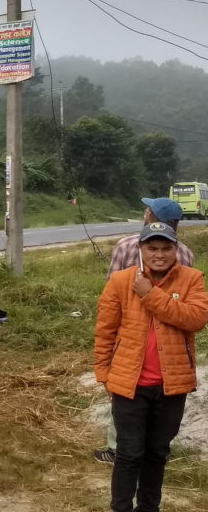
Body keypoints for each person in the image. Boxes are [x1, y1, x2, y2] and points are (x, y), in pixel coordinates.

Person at [95, 222, 208, 512]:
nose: (159, 254)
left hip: (172, 386)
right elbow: (105, 330)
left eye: (166, 248)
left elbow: (196, 319)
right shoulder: (120, 281)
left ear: (176, 249)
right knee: (129, 454)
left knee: (157, 453)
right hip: (130, 385)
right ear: (141, 249)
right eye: (152, 248)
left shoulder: (192, 279)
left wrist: (150, 295)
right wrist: (104, 374)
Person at [95, 197, 195, 464]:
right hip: (171, 342)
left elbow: (110, 293)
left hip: (129, 337)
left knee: (126, 395)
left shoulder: (127, 245)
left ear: (149, 215)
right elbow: (186, 303)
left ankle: (118, 449)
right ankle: (155, 447)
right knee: (160, 400)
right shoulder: (185, 252)